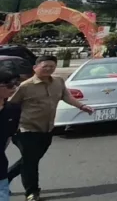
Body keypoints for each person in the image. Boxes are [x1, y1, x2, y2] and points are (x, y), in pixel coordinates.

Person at [8, 56, 94, 201]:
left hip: (47, 128)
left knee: (31, 159)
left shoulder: (58, 82)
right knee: (30, 162)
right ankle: (32, 193)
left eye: (52, 66)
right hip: (25, 129)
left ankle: (5, 177)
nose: (48, 69)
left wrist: (81, 106)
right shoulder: (25, 86)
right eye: (45, 66)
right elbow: (10, 104)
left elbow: (66, 96)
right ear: (35, 68)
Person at [0, 69, 22, 201]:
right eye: (9, 85)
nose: (13, 88)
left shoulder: (13, 110)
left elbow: (8, 137)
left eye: (15, 84)